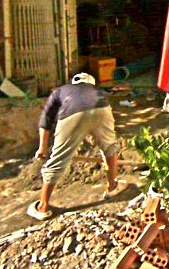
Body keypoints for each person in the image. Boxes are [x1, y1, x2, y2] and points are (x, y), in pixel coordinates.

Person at [27, 72, 127, 221]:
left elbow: (46, 119)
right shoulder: (98, 92)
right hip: (103, 109)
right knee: (109, 148)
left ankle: (42, 208)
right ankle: (112, 187)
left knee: (58, 160)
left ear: (74, 83)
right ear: (91, 84)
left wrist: (42, 147)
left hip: (72, 113)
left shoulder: (61, 91)